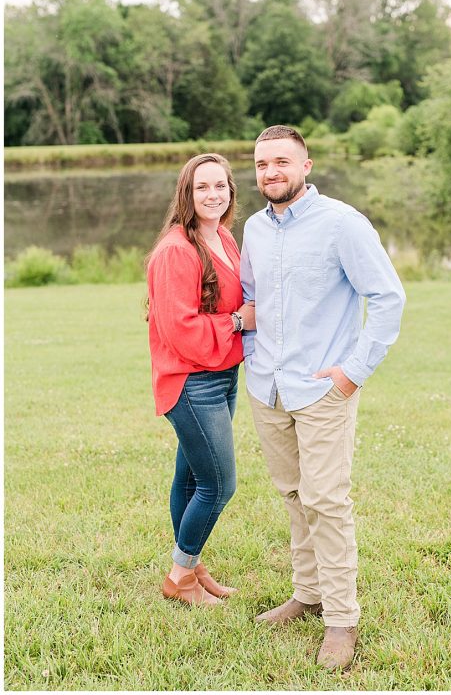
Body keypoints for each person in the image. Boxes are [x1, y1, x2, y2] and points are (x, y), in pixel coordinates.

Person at [240, 125, 406, 671]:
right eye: (263, 164)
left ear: (306, 166)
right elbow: (251, 300)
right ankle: (306, 593)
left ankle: (341, 619)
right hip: (268, 386)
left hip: (321, 390)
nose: (272, 173)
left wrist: (353, 372)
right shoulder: (254, 230)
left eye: (282, 162)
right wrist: (247, 350)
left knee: (327, 501)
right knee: (293, 495)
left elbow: (386, 297)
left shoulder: (341, 223)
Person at [146, 153, 256, 605]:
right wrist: (236, 322)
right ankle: (179, 578)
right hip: (191, 384)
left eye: (220, 186)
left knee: (190, 478)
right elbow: (181, 330)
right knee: (219, 485)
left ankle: (193, 565)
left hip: (221, 375)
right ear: (186, 195)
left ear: (231, 191)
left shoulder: (224, 237)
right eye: (202, 188)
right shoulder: (176, 250)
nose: (213, 195)